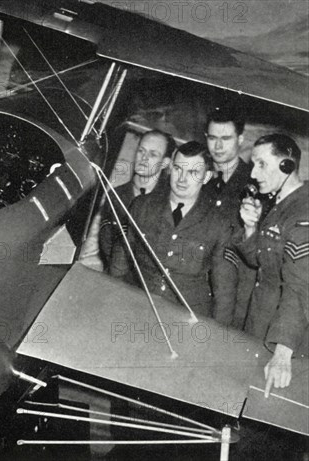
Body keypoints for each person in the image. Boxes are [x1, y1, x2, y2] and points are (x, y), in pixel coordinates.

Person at [110, 141, 237, 323]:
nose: (182, 179)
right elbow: (119, 264)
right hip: (137, 306)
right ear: (170, 168)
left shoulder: (219, 223)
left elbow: (224, 291)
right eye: (178, 169)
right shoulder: (142, 206)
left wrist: (215, 337)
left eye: (193, 172)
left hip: (186, 317)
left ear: (207, 176)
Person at [235, 134, 308, 396]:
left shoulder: (303, 213)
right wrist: (251, 227)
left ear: (287, 166)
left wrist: (282, 353)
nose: (254, 173)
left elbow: (300, 288)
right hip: (260, 323)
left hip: (284, 337)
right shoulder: (279, 203)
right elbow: (262, 262)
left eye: (262, 164)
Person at [204, 107, 257, 329]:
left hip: (231, 299)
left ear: (241, 139)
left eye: (225, 138)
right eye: (212, 138)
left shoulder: (256, 184)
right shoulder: (195, 175)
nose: (217, 146)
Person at [99, 129, 175, 269]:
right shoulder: (116, 196)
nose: (144, 158)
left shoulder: (171, 201)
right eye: (141, 151)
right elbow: (106, 243)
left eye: (153, 154)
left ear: (165, 162)